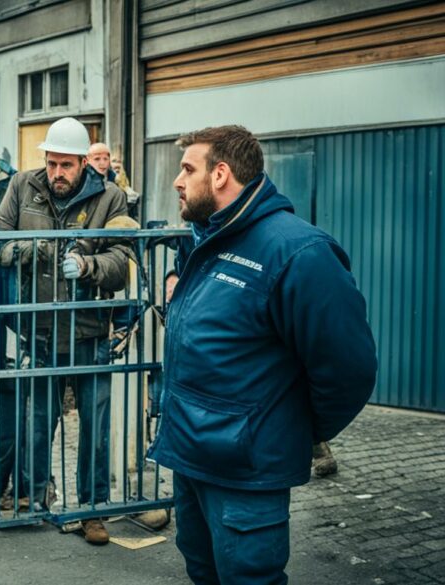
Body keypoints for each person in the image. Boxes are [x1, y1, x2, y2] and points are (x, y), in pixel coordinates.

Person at [149, 125, 377, 584]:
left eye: (187, 169)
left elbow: (349, 370)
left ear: (220, 174)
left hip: (246, 472)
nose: (177, 180)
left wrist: (289, 428)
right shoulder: (208, 238)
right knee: (203, 570)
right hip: (192, 457)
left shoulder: (298, 253)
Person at [0, 117, 133, 545]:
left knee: (95, 426)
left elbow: (123, 258)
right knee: (36, 422)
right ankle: (33, 503)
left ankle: (92, 510)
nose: (57, 173)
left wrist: (90, 266)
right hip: (38, 326)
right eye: (52, 163)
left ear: (82, 164)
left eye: (66, 165)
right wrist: (34, 248)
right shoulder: (22, 186)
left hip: (89, 331)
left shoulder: (110, 197)